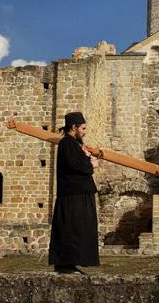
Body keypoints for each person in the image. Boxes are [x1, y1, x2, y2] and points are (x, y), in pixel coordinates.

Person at [48, 111, 100, 273]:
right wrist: (91, 164)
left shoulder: (72, 144)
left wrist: (85, 156)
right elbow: (74, 166)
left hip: (77, 195)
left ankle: (70, 263)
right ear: (74, 127)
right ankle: (66, 264)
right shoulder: (67, 143)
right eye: (83, 128)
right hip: (73, 197)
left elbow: (76, 163)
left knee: (79, 229)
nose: (84, 131)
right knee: (73, 229)